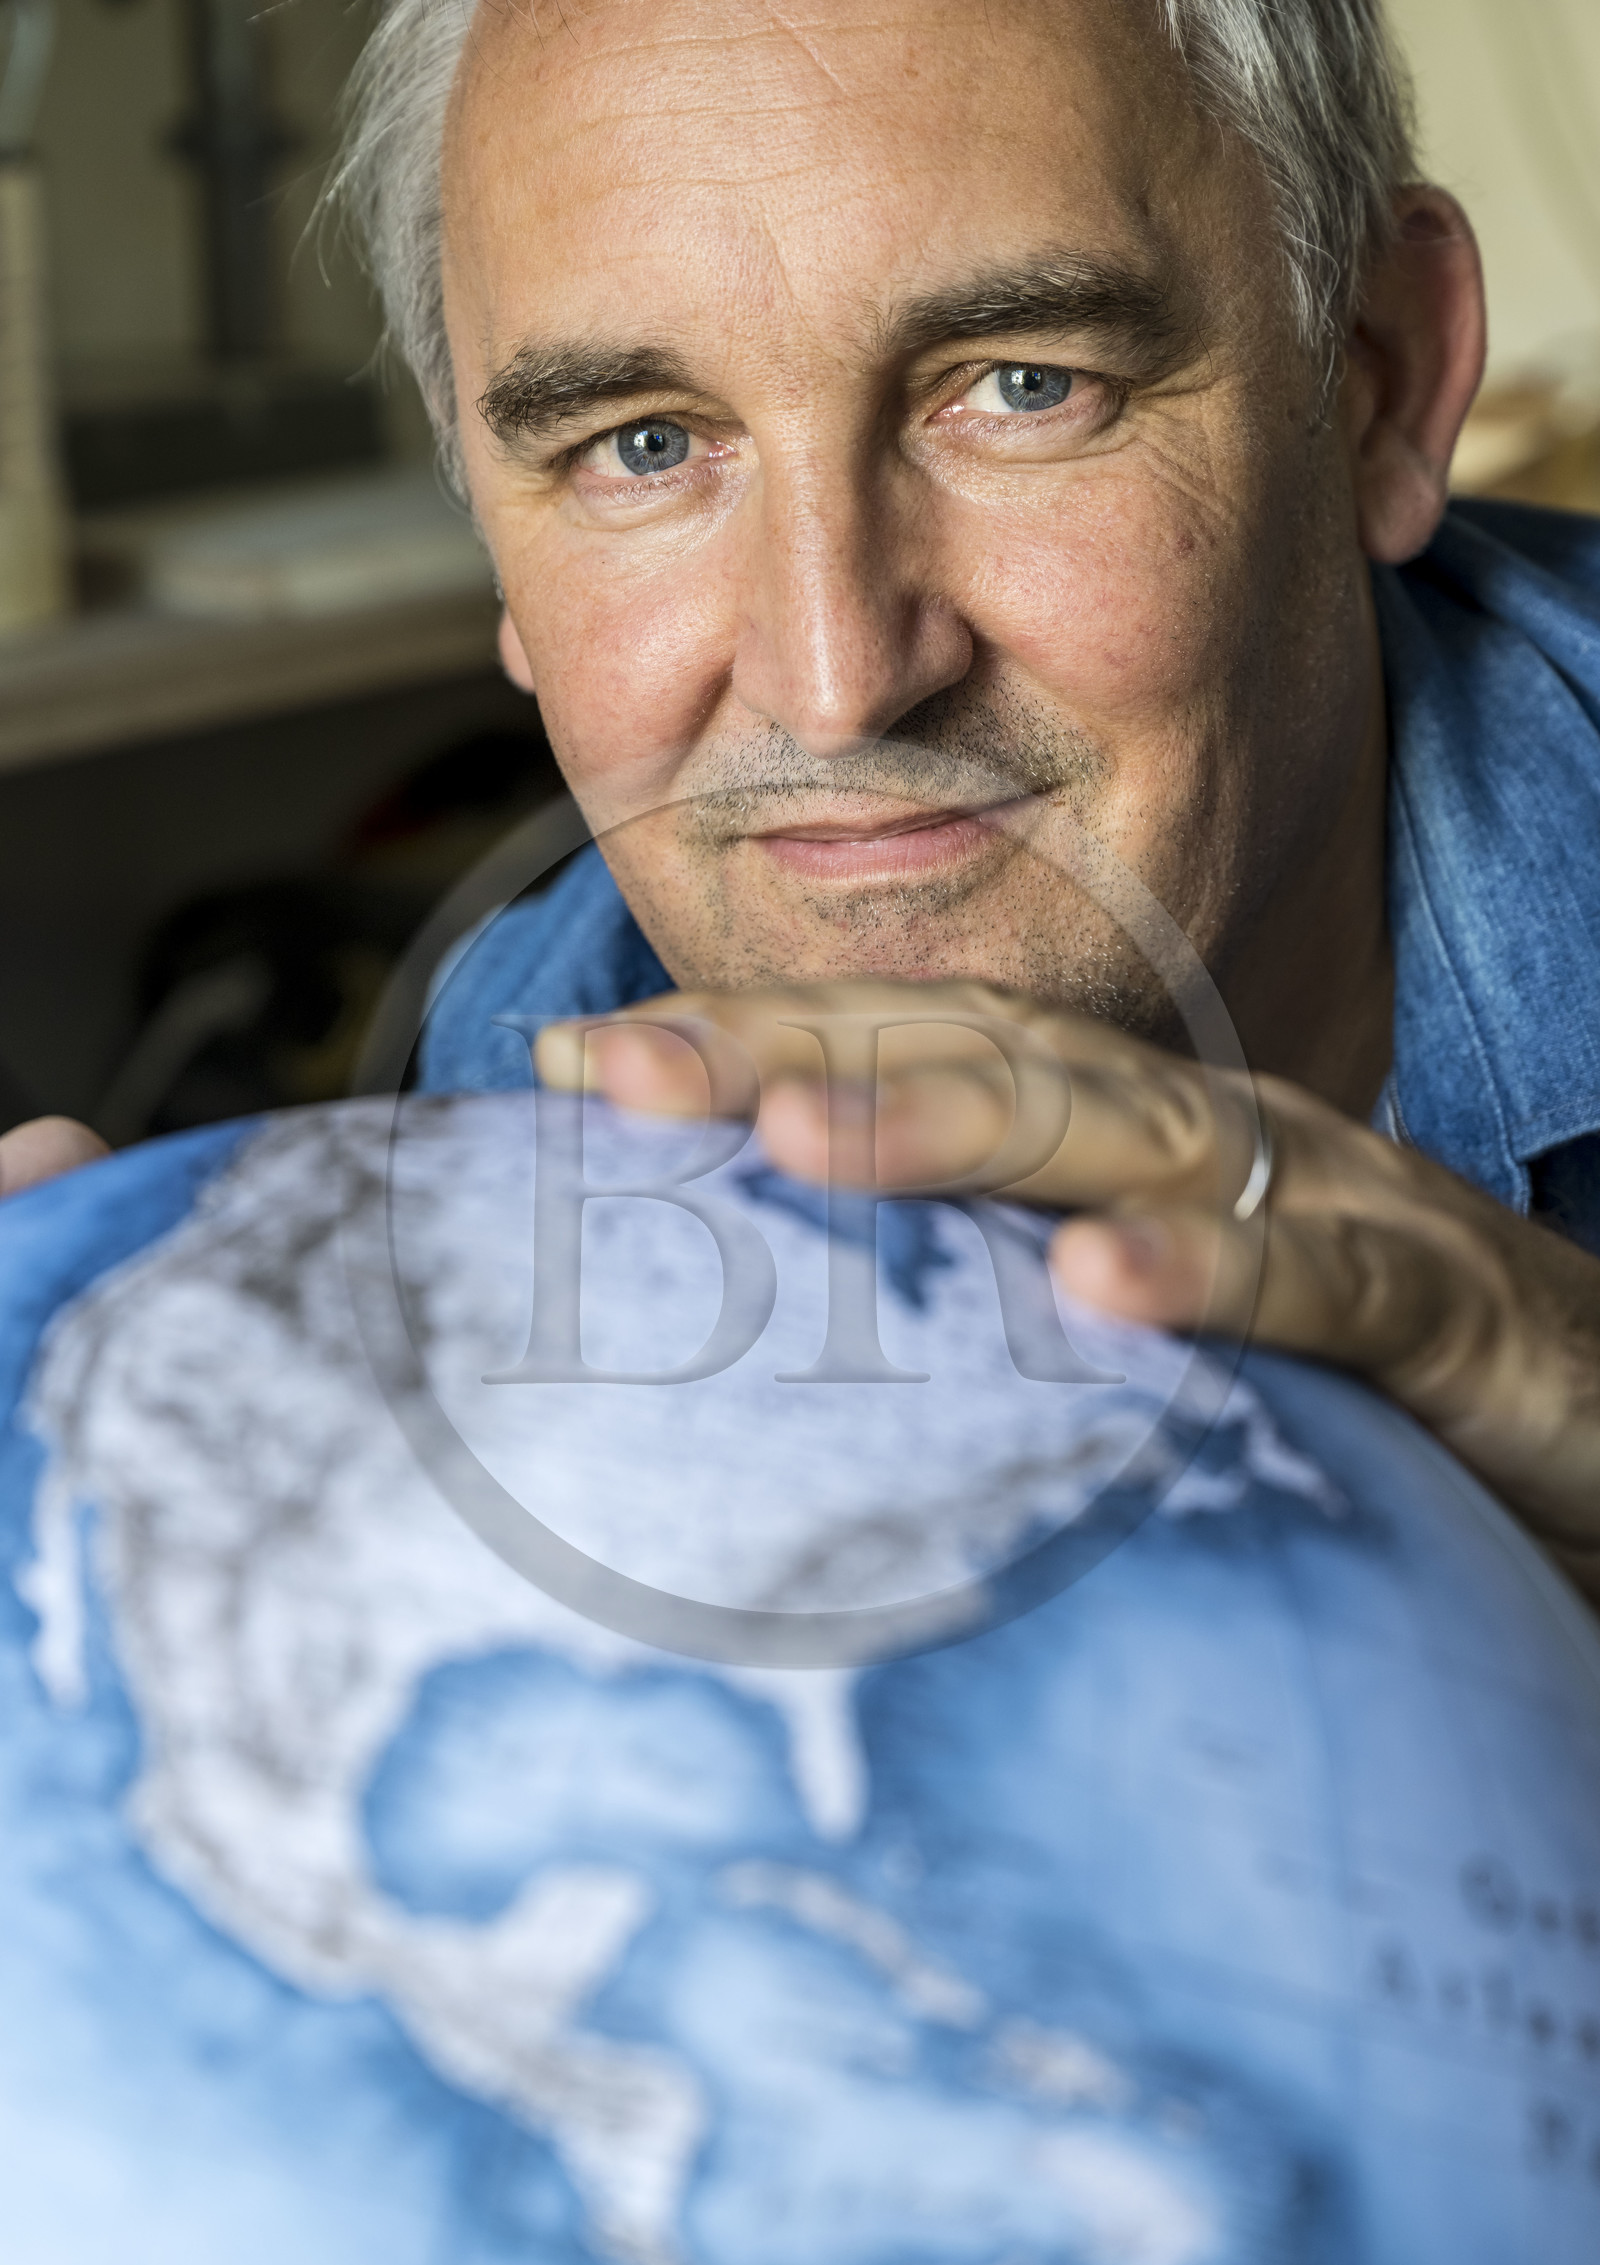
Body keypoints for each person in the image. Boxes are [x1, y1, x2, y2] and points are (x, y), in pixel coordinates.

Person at [8, 0, 1599, 1593]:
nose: (839, 685)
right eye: (644, 444)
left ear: (1383, 384)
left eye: (1024, 387)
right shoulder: (527, 1064)